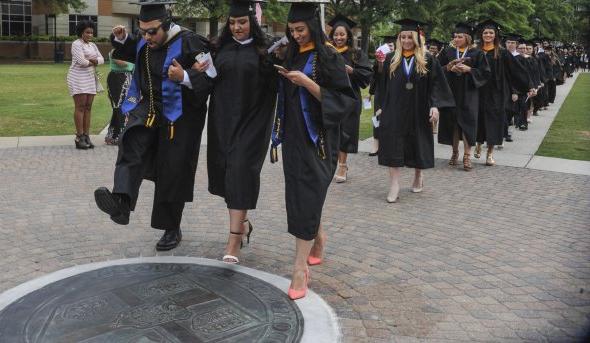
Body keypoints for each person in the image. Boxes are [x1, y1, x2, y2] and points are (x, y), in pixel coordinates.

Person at [94, 0, 213, 251]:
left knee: (172, 171)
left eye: (152, 31)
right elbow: (131, 52)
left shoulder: (191, 42)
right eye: (142, 31)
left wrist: (186, 77)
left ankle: (171, 227)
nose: (147, 36)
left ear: (167, 25)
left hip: (180, 116)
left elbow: (213, 75)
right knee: (131, 142)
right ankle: (122, 203)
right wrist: (124, 37)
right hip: (148, 109)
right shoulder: (145, 41)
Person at [271, 0, 356, 300]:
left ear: (314, 27)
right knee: (298, 196)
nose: (296, 35)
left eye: (301, 29)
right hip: (293, 135)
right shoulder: (291, 52)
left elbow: (346, 101)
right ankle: (317, 237)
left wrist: (308, 83)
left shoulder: (328, 56)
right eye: (292, 30)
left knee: (307, 195)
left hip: (318, 140)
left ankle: (298, 269)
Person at [207, 0, 278, 264]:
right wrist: (188, 76)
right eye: (233, 22)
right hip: (222, 121)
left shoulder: (265, 51)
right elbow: (207, 82)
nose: (237, 27)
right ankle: (244, 222)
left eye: (243, 22)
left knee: (239, 171)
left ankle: (234, 239)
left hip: (253, 123)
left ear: (253, 22)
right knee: (227, 175)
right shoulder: (218, 49)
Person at [375, 19, 454, 203]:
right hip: (395, 109)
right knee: (393, 144)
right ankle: (394, 184)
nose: (406, 40)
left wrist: (435, 105)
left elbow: (436, 84)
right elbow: (382, 86)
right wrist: (380, 107)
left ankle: (418, 175)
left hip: (419, 108)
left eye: (409, 37)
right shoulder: (390, 59)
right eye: (403, 37)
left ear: (417, 38)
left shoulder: (428, 59)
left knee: (418, 143)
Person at [474, 24, 531, 163]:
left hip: (496, 93)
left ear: (495, 35)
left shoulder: (502, 52)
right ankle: (478, 144)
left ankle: (490, 154)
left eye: (490, 33)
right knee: (479, 119)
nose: (488, 35)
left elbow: (515, 70)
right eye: (485, 33)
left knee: (495, 122)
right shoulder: (476, 51)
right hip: (478, 91)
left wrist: (528, 85)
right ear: (481, 35)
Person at [437, 23, 490, 171]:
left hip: (469, 94)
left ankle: (467, 156)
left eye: (460, 36)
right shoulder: (448, 51)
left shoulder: (477, 53)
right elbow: (436, 70)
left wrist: (469, 70)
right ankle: (455, 153)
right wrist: (449, 68)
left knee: (468, 124)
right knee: (453, 124)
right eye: (455, 36)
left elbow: (485, 73)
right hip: (451, 93)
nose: (457, 39)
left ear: (467, 37)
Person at [328, 14, 373, 183]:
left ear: (348, 36)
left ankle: (342, 165)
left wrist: (352, 71)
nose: (338, 37)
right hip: (330, 97)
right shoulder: (327, 52)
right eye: (336, 34)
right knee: (330, 131)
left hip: (349, 99)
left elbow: (367, 74)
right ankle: (331, 164)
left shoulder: (356, 54)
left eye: (342, 34)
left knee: (345, 132)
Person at [66, 20, 104, 150]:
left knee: (88, 107)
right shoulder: (76, 44)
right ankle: (79, 136)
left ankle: (87, 135)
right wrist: (94, 61)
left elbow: (102, 59)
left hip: (89, 77)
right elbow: (81, 62)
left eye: (91, 32)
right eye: (87, 32)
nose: (90, 35)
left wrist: (93, 61)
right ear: (81, 32)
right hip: (77, 77)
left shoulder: (92, 45)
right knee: (80, 106)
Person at [105, 25, 137, 145]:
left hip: (126, 78)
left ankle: (115, 134)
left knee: (122, 106)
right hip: (117, 79)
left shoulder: (127, 51)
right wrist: (135, 65)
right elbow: (125, 65)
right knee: (118, 106)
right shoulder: (115, 53)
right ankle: (117, 135)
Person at [369, 34, 397, 156]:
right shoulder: (379, 58)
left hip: (394, 90)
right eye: (387, 45)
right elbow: (377, 75)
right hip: (381, 90)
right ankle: (376, 144)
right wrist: (380, 62)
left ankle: (390, 145)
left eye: (391, 45)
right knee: (377, 116)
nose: (389, 48)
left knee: (393, 117)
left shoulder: (398, 58)